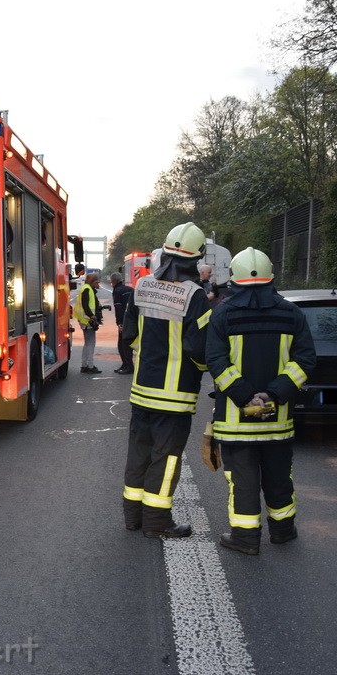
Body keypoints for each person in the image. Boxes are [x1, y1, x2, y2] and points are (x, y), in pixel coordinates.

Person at [206, 248, 315, 555]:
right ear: (271, 278)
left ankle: (245, 538)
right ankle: (282, 531)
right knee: (279, 476)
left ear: (233, 280)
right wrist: (273, 394)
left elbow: (216, 361)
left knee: (242, 480)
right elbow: (304, 360)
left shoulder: (222, 314)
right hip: (277, 419)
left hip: (235, 420)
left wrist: (245, 396)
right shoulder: (291, 313)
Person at [120, 222, 212, 538]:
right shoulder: (195, 295)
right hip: (175, 397)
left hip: (141, 391)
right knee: (167, 459)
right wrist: (201, 368)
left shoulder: (142, 287)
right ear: (197, 257)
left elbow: (129, 336)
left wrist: (147, 355)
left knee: (138, 453)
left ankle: (133, 517)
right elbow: (198, 349)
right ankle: (157, 522)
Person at [73, 272, 103, 374]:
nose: (98, 284)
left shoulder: (86, 288)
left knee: (87, 344)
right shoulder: (87, 289)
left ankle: (84, 365)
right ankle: (90, 366)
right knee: (91, 344)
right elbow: (86, 306)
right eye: (97, 282)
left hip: (85, 320)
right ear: (92, 282)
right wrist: (92, 316)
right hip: (88, 321)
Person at [108, 272, 134, 374]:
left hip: (124, 321)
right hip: (132, 320)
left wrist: (119, 322)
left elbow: (118, 307)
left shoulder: (117, 291)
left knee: (122, 344)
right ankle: (126, 365)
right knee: (128, 343)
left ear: (114, 281)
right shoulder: (131, 289)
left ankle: (128, 366)